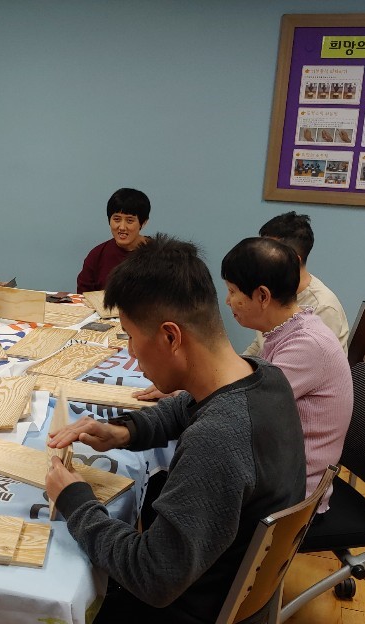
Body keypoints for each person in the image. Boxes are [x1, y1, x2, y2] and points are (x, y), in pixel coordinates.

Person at [47, 234, 306, 623]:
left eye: (131, 338)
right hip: (222, 582)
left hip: (187, 608)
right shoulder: (266, 377)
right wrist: (126, 430)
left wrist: (76, 501)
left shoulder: (216, 440)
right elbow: (187, 408)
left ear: (170, 336)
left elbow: (152, 576)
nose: (131, 352)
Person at [222, 237, 352, 513]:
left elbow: (241, 408)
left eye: (232, 291)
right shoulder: (286, 331)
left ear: (262, 296)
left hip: (294, 497)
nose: (228, 301)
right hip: (276, 473)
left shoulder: (307, 345)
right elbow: (246, 380)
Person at [244, 211, 349, 356]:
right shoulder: (271, 291)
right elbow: (260, 346)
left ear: (292, 261)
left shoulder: (323, 308)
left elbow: (304, 364)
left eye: (267, 256)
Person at [76, 188, 150, 293]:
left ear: (143, 223)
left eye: (129, 220)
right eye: (117, 219)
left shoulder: (160, 256)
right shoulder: (96, 256)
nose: (122, 227)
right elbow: (83, 296)